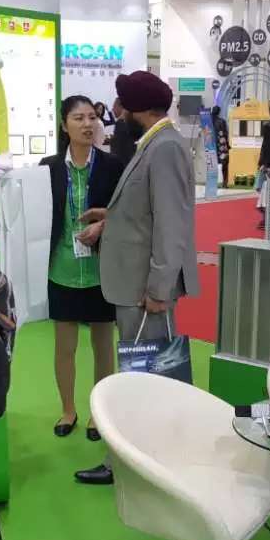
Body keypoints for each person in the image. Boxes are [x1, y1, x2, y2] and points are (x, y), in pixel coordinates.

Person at [73, 70, 199, 485]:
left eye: (122, 104)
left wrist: (159, 288)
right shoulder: (157, 144)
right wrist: (112, 216)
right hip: (137, 284)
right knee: (148, 373)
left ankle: (133, 463)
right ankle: (146, 457)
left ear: (138, 109)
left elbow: (172, 223)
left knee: (145, 377)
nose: (117, 112)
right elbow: (149, 211)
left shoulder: (164, 148)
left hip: (145, 289)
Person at [40, 95, 126, 443]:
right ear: (65, 125)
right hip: (61, 268)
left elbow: (126, 211)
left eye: (92, 117)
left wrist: (103, 226)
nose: (88, 124)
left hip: (100, 268)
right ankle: (68, 410)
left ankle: (98, 413)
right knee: (65, 347)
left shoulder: (112, 165)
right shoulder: (47, 168)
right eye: (78, 118)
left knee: (103, 344)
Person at [108, 97, 142, 163]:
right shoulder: (134, 123)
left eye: (114, 107)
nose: (112, 109)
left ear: (121, 107)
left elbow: (118, 150)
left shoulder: (120, 123)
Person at [211, 105, 230, 187]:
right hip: (221, 146)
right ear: (219, 112)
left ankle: (212, 182)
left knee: (212, 165)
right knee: (225, 164)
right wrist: (227, 145)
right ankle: (225, 183)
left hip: (211, 145)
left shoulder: (208, 121)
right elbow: (225, 134)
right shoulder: (222, 121)